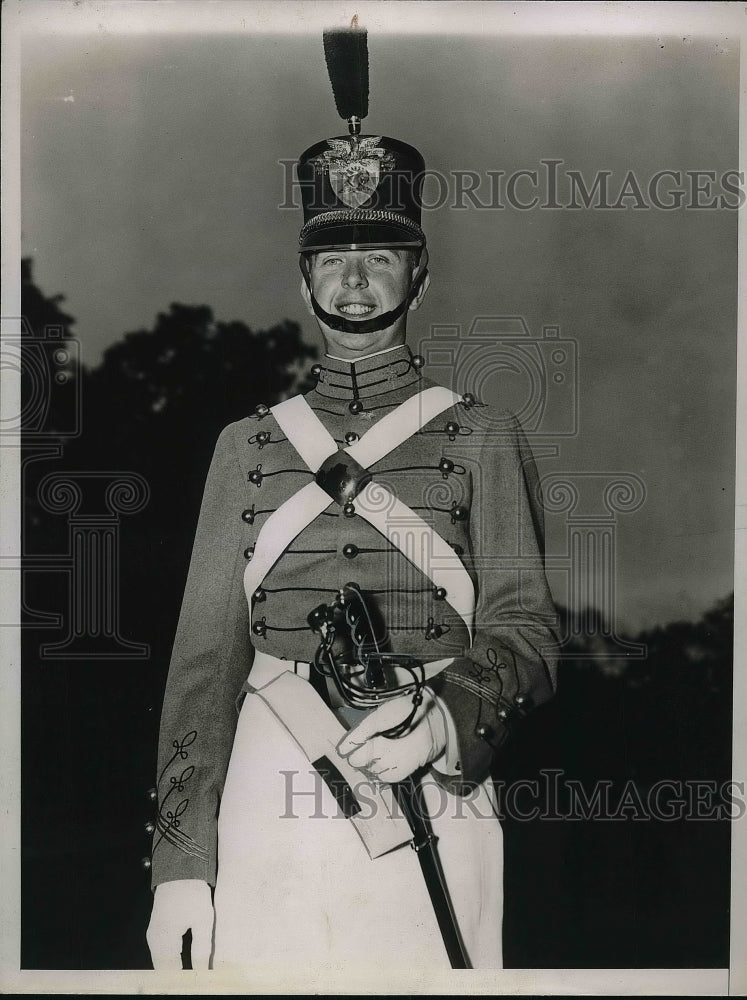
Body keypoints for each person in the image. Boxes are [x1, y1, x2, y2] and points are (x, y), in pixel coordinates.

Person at [146, 28, 558, 974]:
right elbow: (203, 671)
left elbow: (526, 632)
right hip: (267, 776)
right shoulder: (243, 447)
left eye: (382, 253)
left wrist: (446, 722)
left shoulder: (483, 434)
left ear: (421, 274)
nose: (357, 275)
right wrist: (181, 865)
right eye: (334, 257)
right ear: (302, 278)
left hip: (434, 773)